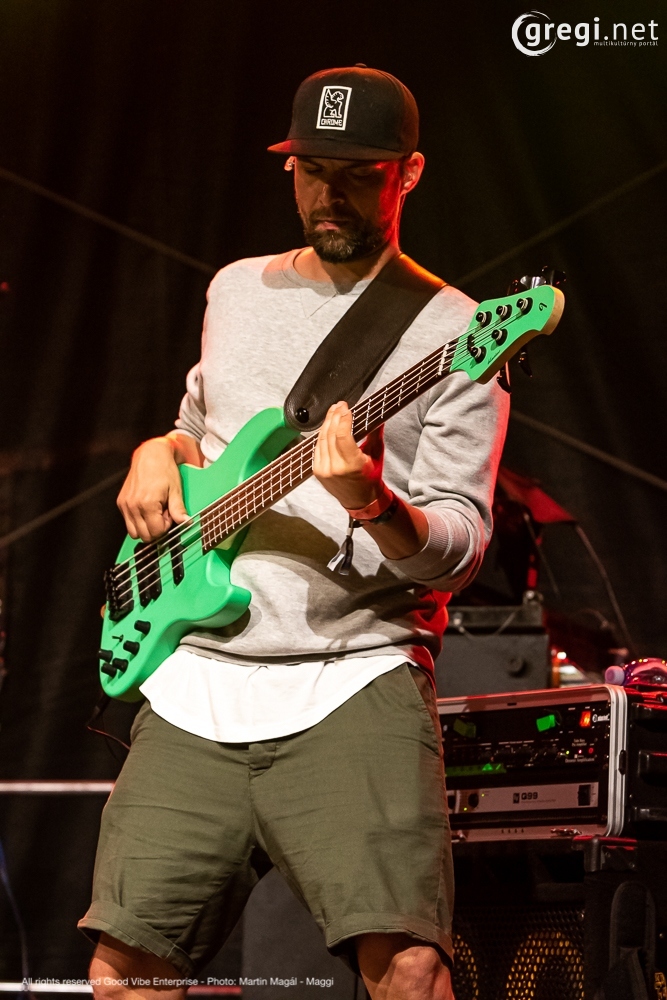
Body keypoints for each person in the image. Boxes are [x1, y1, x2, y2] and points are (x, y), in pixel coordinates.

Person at [80, 66, 509, 1000]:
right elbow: (200, 427)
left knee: (407, 970)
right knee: (123, 974)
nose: (330, 193)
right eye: (312, 170)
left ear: (409, 173)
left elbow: (462, 549)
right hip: (198, 678)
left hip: (352, 679)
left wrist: (371, 501)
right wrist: (158, 448)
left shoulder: (457, 330)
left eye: (359, 173)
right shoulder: (234, 289)